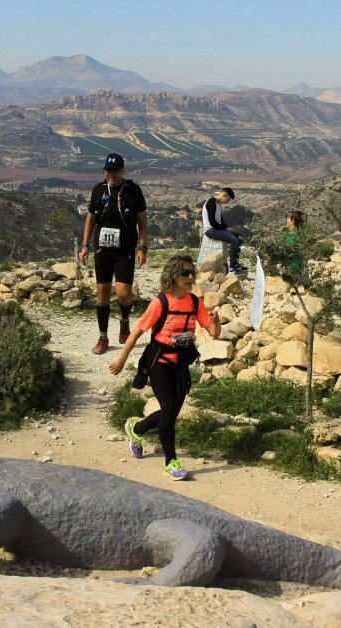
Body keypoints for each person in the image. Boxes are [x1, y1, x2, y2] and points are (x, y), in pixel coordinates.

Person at [109, 255, 221, 481]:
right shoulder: (160, 303)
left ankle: (136, 430)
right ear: (173, 276)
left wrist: (215, 322)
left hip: (181, 363)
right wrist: (121, 359)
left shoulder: (194, 302)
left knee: (170, 413)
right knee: (169, 409)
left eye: (192, 273)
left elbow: (213, 333)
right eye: (185, 273)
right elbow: (138, 331)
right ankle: (171, 462)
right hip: (159, 363)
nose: (191, 277)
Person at [79, 153, 149, 354]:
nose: (111, 174)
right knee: (102, 293)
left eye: (115, 170)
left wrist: (142, 248)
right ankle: (103, 337)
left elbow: (142, 222)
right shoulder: (98, 190)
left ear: (122, 170)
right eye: (108, 171)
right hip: (102, 248)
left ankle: (125, 321)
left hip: (124, 248)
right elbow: (90, 219)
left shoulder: (133, 190)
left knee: (124, 293)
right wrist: (85, 245)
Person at [202, 187, 244, 274]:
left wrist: (229, 228)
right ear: (224, 195)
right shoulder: (211, 203)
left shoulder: (218, 205)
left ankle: (235, 263)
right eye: (228, 199)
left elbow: (221, 221)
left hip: (217, 229)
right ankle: (232, 268)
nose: (227, 202)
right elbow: (213, 223)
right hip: (210, 230)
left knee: (238, 238)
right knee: (234, 241)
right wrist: (225, 229)